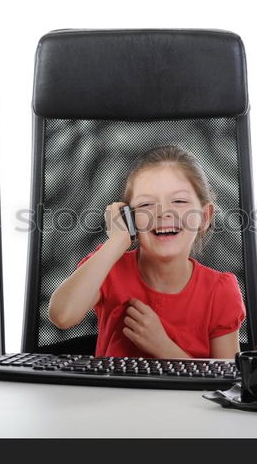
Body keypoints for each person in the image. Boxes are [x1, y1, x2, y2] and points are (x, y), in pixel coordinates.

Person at [49, 144, 246, 359]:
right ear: (129, 218)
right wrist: (117, 241)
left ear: (205, 217)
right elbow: (62, 315)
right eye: (146, 205)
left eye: (179, 201)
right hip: (114, 392)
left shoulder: (219, 290)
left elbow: (225, 382)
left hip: (186, 395)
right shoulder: (108, 267)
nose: (163, 213)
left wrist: (164, 348)